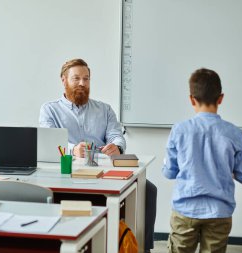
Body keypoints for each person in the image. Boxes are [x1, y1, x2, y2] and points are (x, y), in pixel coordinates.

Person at [39, 58, 157, 252]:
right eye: (76, 78)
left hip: (103, 170)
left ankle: (142, 246)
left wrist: (116, 147)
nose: (82, 83)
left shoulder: (105, 109)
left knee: (148, 189)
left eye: (86, 79)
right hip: (67, 172)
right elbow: (50, 141)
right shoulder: (49, 109)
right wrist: (72, 149)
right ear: (63, 80)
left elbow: (117, 136)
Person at [162, 68, 242, 253]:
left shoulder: (179, 130)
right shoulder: (235, 134)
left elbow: (169, 172)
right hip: (220, 211)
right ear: (221, 98)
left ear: (191, 99)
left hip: (185, 209)